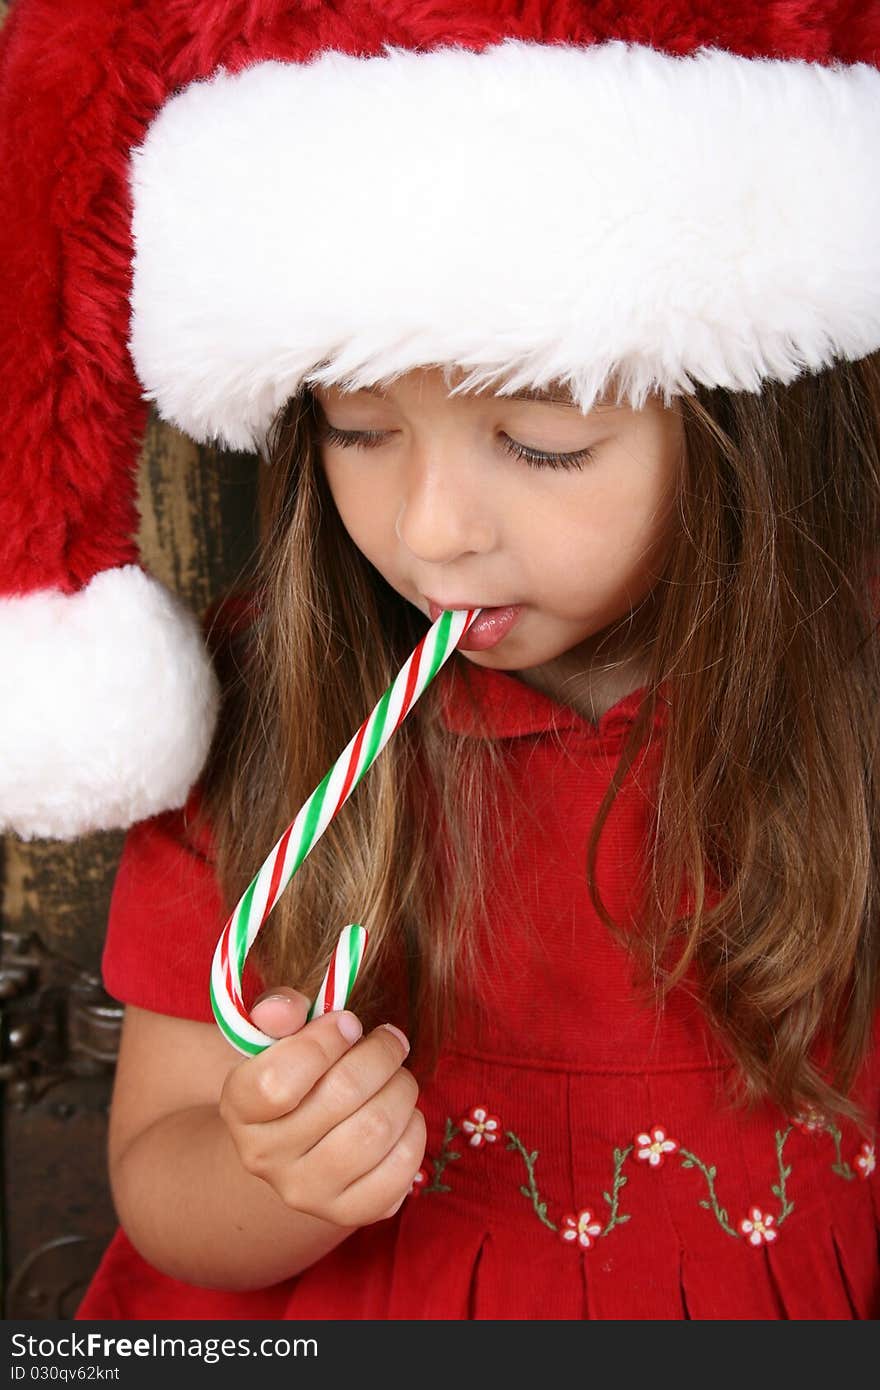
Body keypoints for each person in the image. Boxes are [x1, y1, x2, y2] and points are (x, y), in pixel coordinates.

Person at [1, 1, 877, 1321]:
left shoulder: (852, 706)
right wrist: (274, 1169)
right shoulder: (272, 720)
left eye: (540, 445)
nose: (429, 532)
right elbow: (164, 1173)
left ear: (746, 423)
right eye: (360, 429)